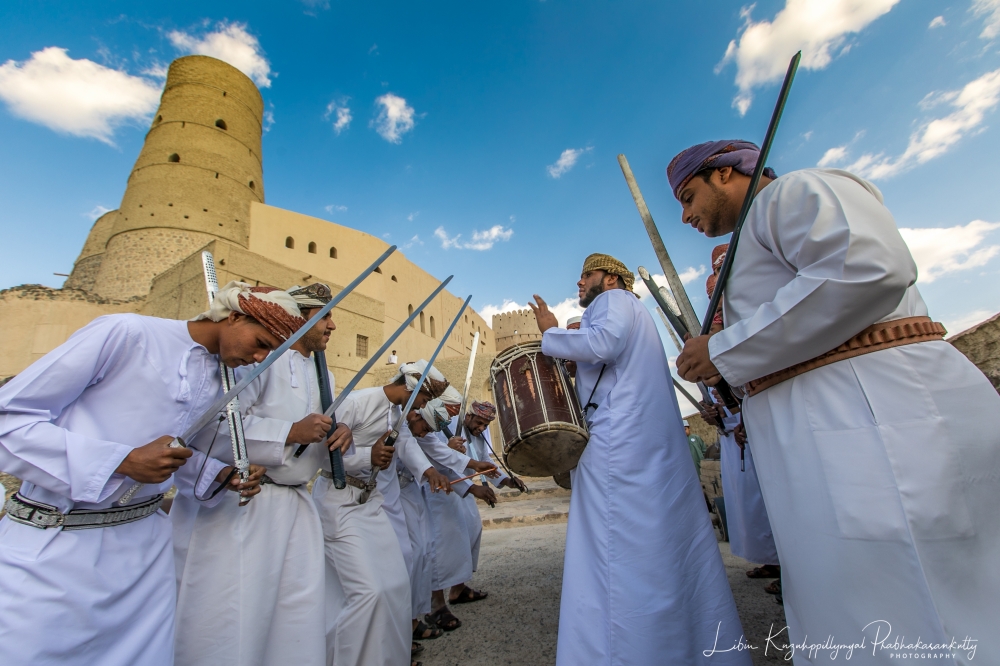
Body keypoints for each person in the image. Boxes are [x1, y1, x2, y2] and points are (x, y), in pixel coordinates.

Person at [672, 139, 1000, 660]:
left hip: (875, 424)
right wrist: (726, 368)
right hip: (833, 437)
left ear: (725, 173)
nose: (685, 215)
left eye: (688, 196)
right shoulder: (754, 236)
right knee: (855, 607)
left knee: (920, 608)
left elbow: (868, 267)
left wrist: (724, 349)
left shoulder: (793, 193)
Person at [0, 283, 285, 666]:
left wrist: (219, 475)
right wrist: (122, 461)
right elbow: (9, 421)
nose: (260, 358)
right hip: (57, 549)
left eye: (271, 352)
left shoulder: (225, 377)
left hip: (145, 561)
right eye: (261, 343)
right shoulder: (126, 333)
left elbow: (175, 451)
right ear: (234, 317)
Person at [528, 254, 749, 665]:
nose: (580, 283)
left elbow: (602, 344)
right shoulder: (635, 311)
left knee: (616, 552)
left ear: (612, 279)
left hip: (619, 445)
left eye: (587, 275)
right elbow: (609, 362)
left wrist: (551, 331)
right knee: (657, 547)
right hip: (639, 441)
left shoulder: (613, 300)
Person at [170, 283, 353, 666]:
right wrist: (290, 432)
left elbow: (315, 444)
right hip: (245, 503)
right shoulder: (259, 359)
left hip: (296, 505)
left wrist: (338, 436)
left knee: (296, 618)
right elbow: (215, 428)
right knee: (236, 619)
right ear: (300, 318)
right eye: (325, 317)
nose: (333, 326)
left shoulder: (326, 376)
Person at [313, 361, 451, 666]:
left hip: (371, 501)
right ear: (411, 387)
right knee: (369, 593)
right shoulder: (357, 402)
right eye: (424, 399)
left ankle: (392, 656)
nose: (423, 407)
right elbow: (320, 455)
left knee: (398, 583)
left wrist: (429, 471)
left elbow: (406, 446)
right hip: (339, 502)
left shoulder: (396, 414)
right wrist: (368, 456)